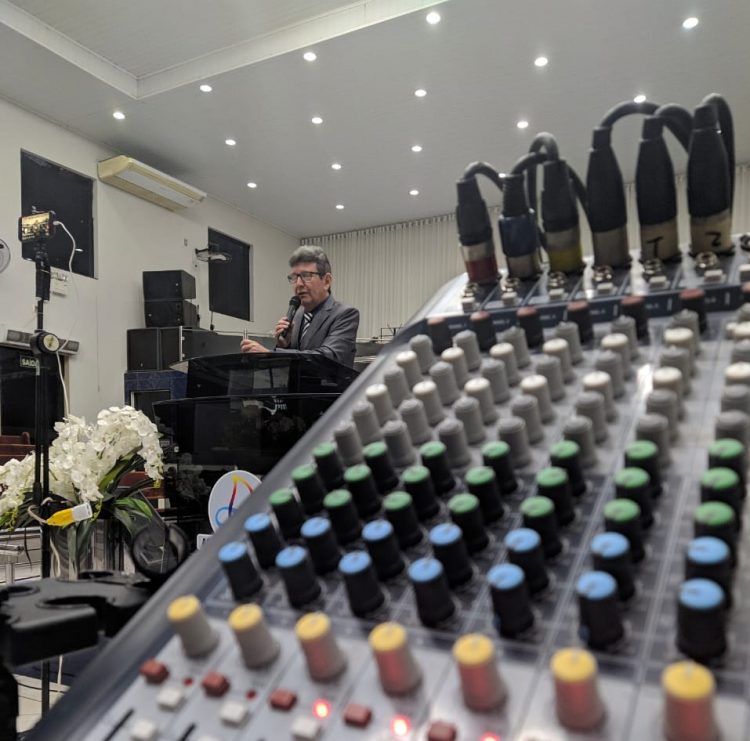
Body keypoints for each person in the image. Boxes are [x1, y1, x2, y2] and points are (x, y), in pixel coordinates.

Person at [240, 245, 360, 368]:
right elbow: (294, 363)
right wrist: (284, 345)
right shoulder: (297, 315)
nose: (298, 284)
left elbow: (327, 358)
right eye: (294, 277)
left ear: (327, 281)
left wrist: (271, 354)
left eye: (306, 276)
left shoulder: (345, 314)